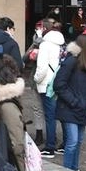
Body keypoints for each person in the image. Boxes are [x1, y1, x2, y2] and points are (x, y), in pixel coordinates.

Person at [53, 34, 86, 171]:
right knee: (72, 141)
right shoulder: (71, 61)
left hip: (82, 108)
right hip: (70, 107)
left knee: (78, 141)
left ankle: (74, 168)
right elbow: (59, 84)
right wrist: (73, 101)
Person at [33, 24, 66, 158]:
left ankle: (50, 146)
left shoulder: (45, 45)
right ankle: (65, 144)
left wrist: (36, 79)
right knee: (63, 115)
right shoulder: (62, 44)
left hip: (47, 84)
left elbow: (42, 68)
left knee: (50, 116)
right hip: (60, 82)